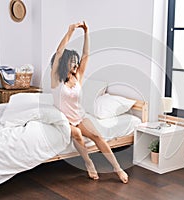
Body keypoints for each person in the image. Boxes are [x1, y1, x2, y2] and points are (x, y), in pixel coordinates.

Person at [50, 21, 128, 184]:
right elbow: (59, 52)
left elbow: (86, 55)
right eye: (73, 61)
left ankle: (117, 168)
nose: (76, 64)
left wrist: (86, 32)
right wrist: (70, 31)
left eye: (76, 61)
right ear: (66, 62)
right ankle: (88, 162)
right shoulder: (56, 79)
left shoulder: (77, 77)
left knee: (98, 136)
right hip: (63, 118)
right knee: (77, 134)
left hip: (79, 116)